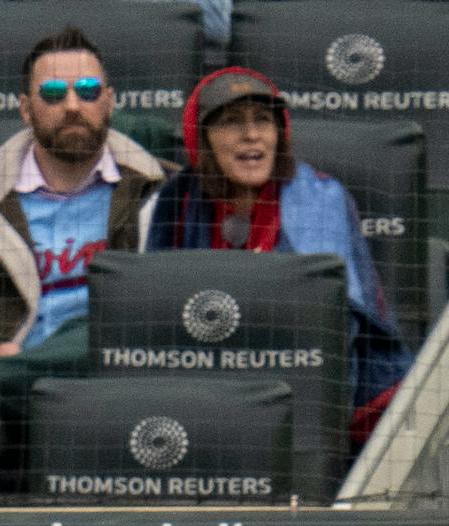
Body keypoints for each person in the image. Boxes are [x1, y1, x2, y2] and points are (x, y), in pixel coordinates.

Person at [141, 66, 413, 445]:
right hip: (203, 379)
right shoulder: (177, 200)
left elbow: (333, 329)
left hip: (304, 383)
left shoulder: (319, 199)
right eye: (232, 122)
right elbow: (157, 319)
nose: (251, 135)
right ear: (202, 139)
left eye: (263, 120)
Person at [0, 28, 168, 367]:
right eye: (53, 93)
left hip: (120, 379)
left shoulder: (165, 194)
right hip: (10, 393)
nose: (73, 106)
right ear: (26, 110)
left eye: (88, 91)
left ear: (110, 102)